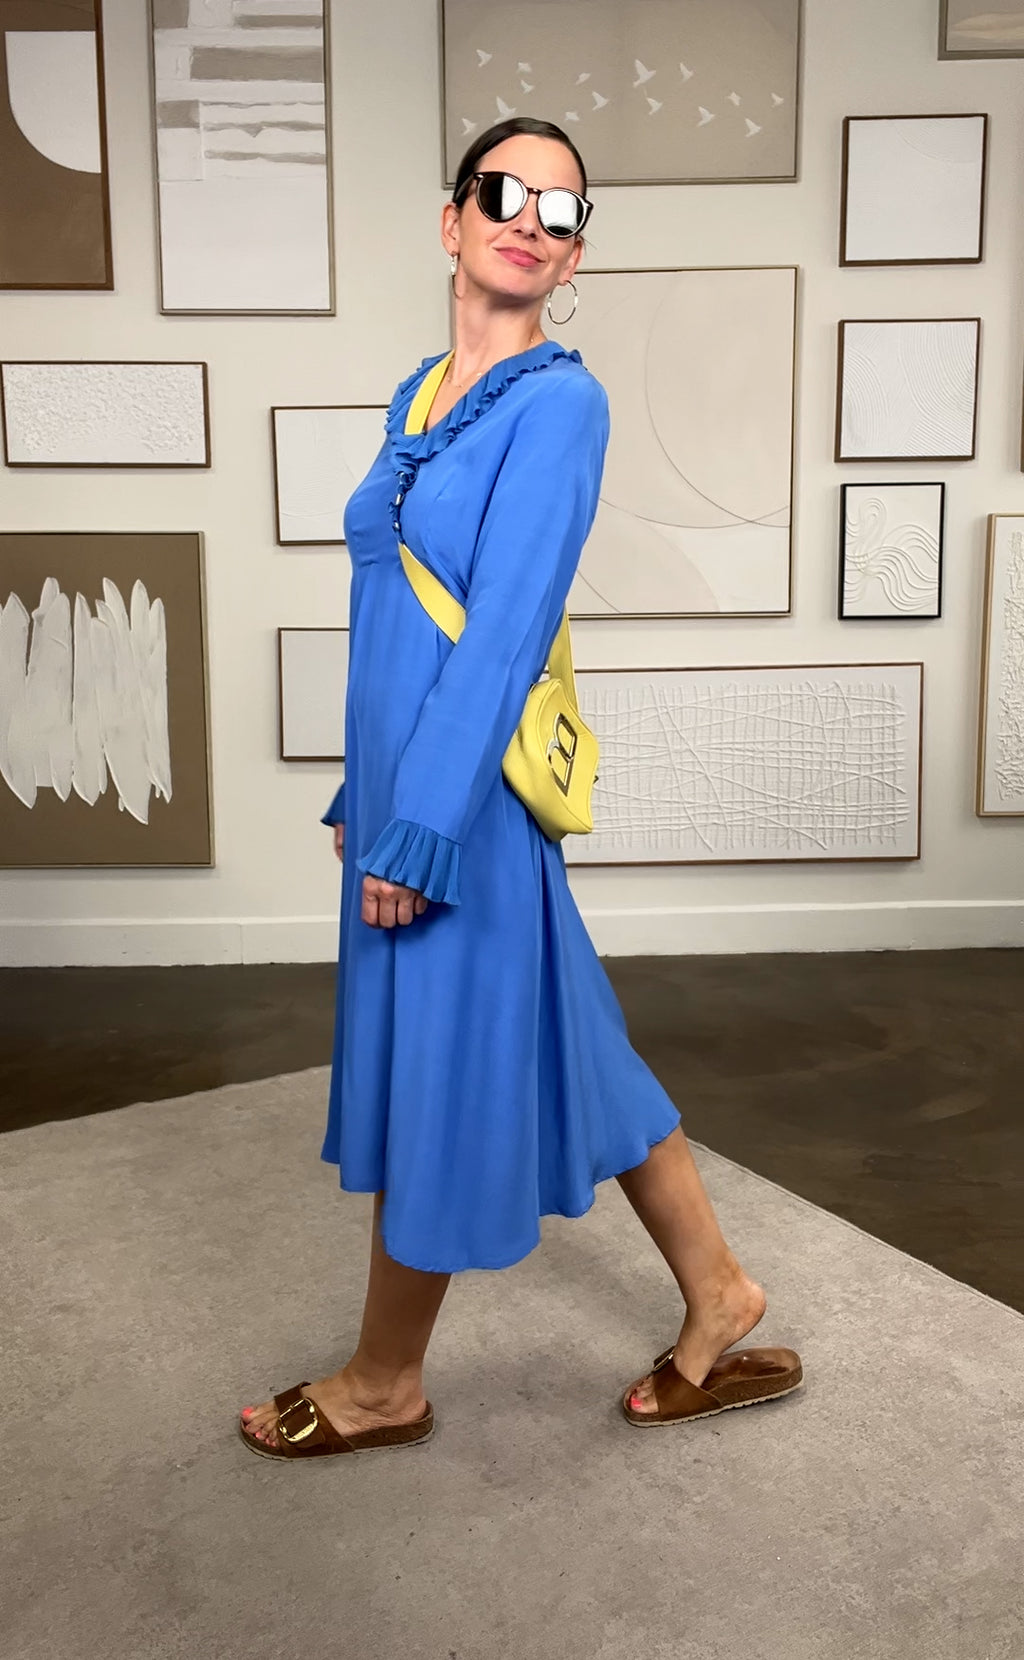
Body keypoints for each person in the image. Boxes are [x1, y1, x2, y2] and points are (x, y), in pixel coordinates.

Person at [239, 118, 801, 1460]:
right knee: (574, 1035)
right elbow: (395, 620)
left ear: (575, 254)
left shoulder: (561, 405)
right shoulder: (420, 395)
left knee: (435, 1066)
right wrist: (362, 790)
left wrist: (421, 823)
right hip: (411, 787)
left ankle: (387, 1382)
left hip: (464, 808)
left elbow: (501, 632)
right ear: (452, 222)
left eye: (562, 208)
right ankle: (721, 1291)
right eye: (505, 193)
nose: (530, 220)